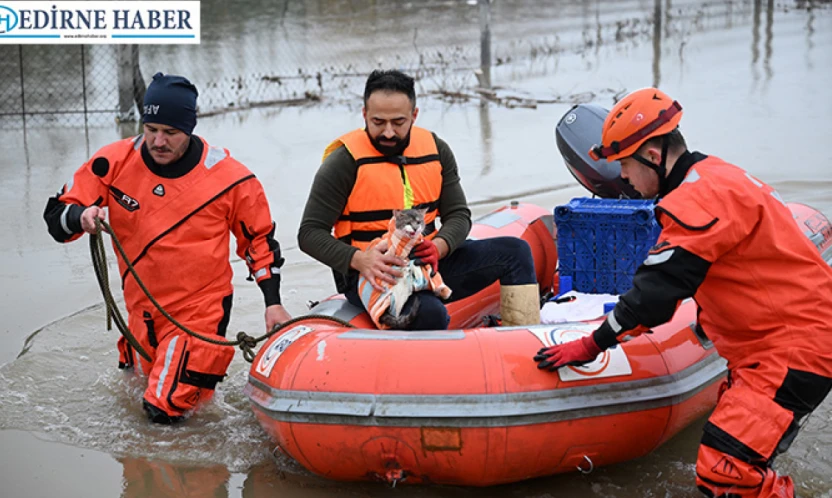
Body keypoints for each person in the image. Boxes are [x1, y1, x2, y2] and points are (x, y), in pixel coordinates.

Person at [534, 87, 832, 497]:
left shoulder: (696, 200)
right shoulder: (715, 174)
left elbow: (654, 296)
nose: (622, 177)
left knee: (725, 471)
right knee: (733, 459)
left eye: (624, 163)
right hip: (775, 344)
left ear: (652, 156)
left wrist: (592, 344)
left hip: (792, 349)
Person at [43, 72, 291, 424]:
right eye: (151, 129)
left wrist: (273, 303)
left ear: (189, 128)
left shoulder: (233, 180)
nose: (158, 141)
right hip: (141, 312)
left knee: (162, 412)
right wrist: (81, 216)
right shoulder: (112, 163)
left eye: (171, 133)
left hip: (199, 315)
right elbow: (55, 218)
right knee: (141, 407)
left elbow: (259, 242)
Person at [298, 69, 540, 330]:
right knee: (430, 314)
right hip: (372, 277)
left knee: (515, 252)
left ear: (414, 115)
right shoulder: (343, 163)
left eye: (398, 122)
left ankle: (521, 343)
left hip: (426, 264)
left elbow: (458, 215)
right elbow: (309, 234)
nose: (388, 132)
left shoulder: (437, 150)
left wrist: (440, 246)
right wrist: (360, 260)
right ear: (364, 114)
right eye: (378, 122)